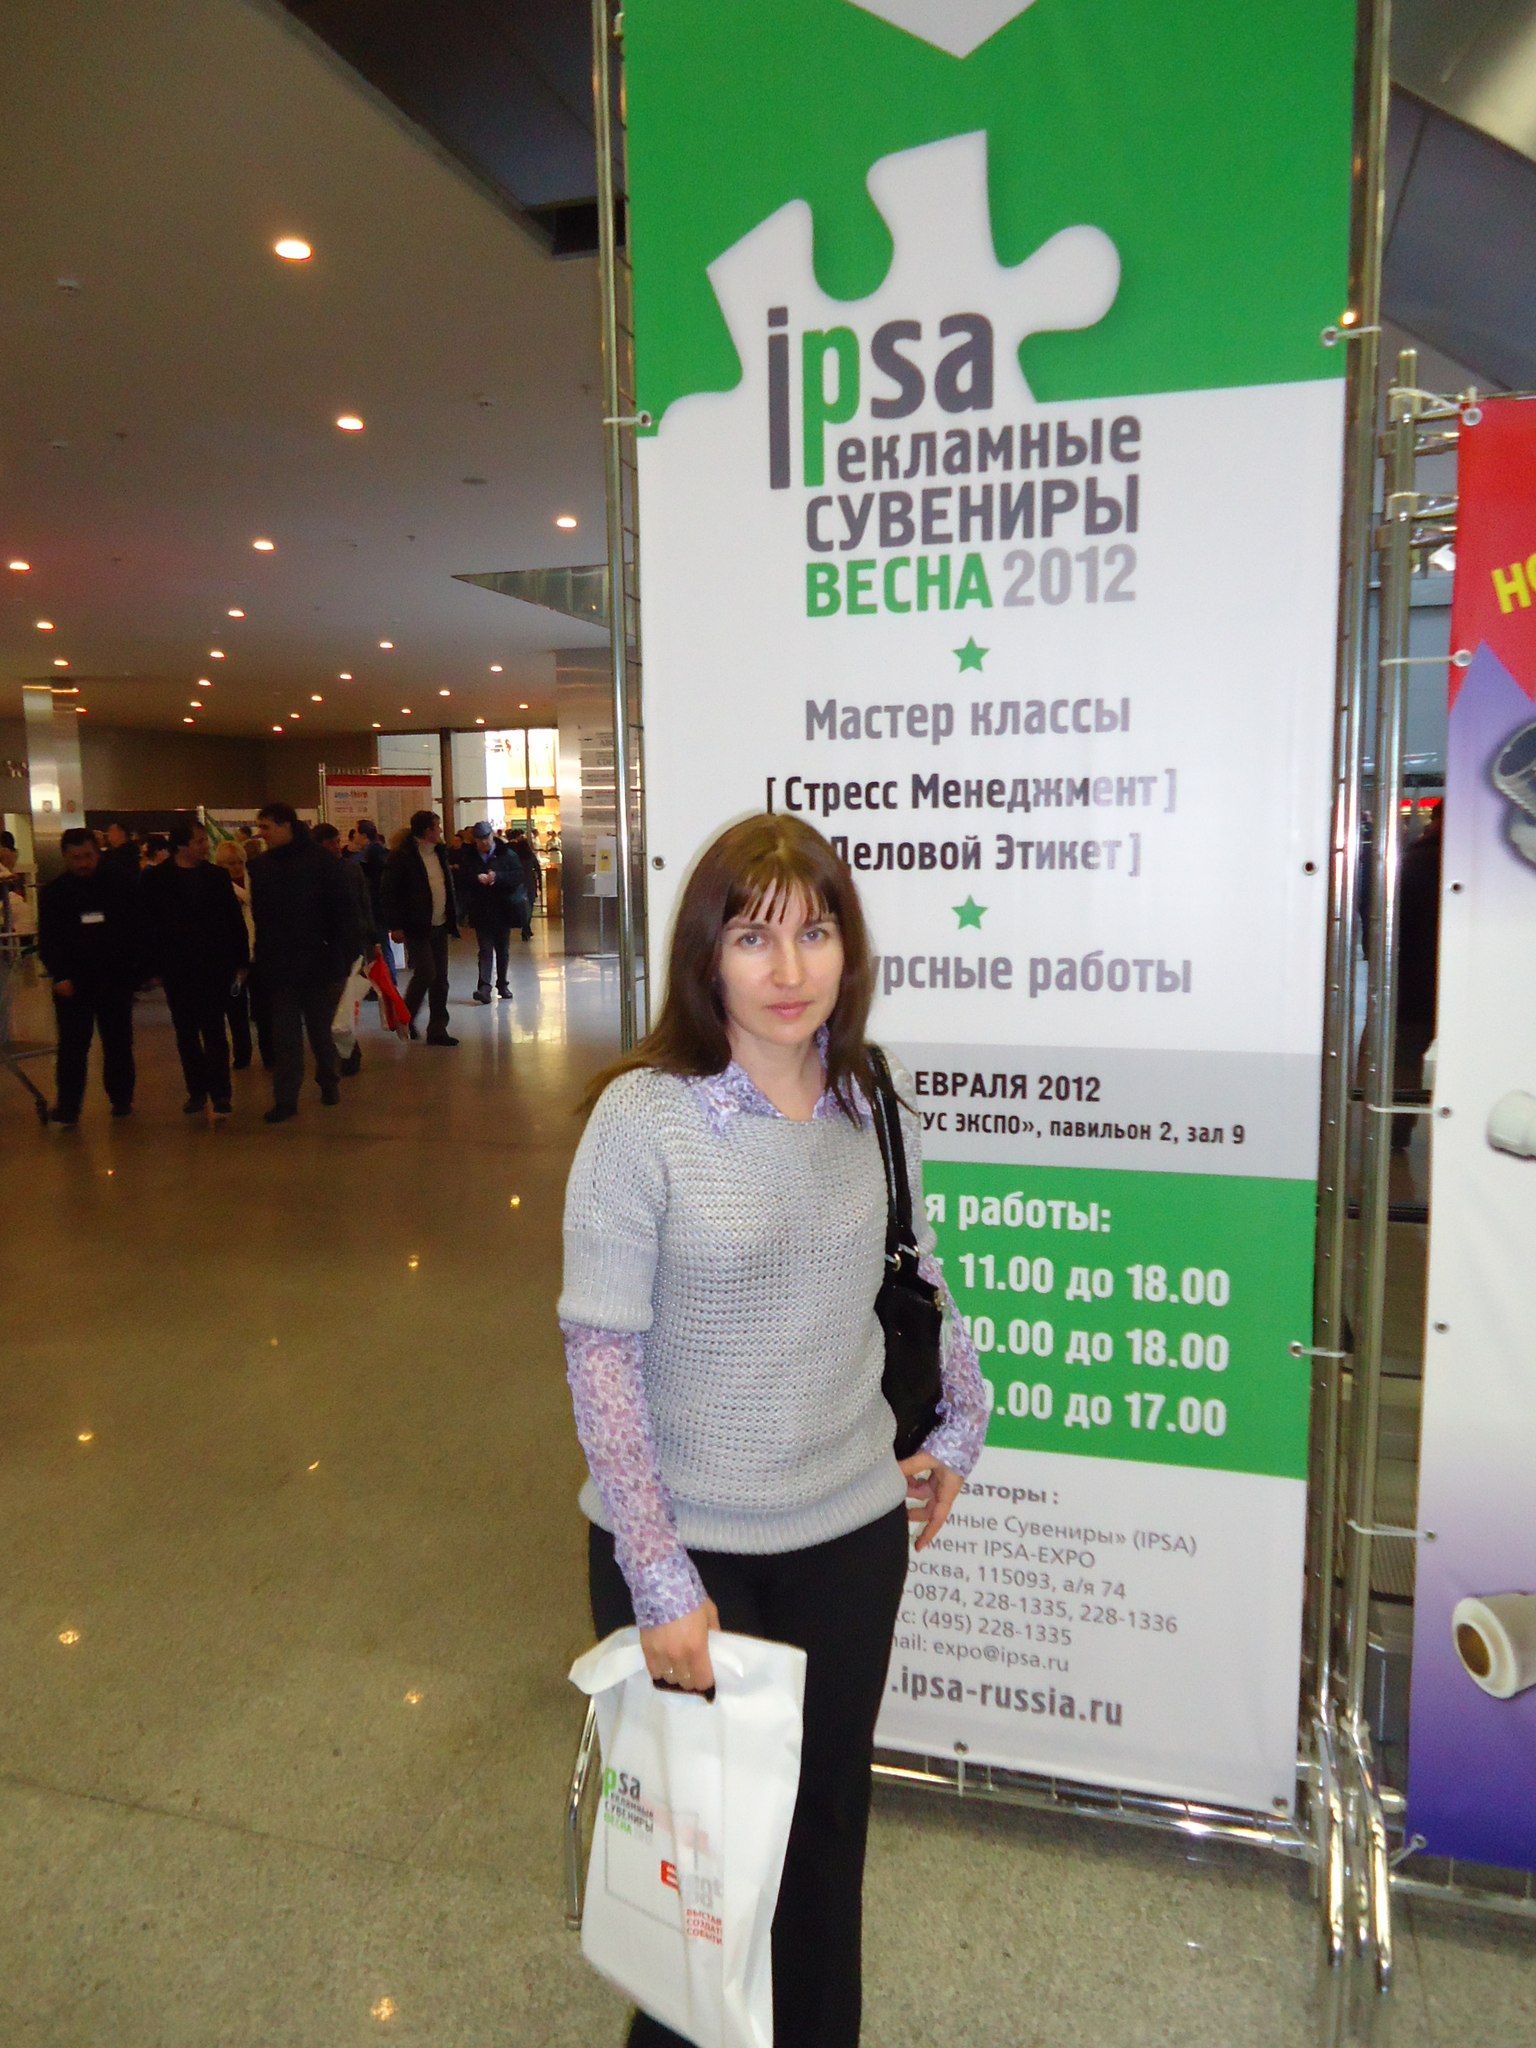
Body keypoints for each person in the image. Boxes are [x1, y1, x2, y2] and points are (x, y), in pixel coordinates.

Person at [559, 813, 988, 2048]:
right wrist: (658, 1575)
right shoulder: (645, 1118)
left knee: (824, 1839)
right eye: (753, 937)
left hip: (849, 1533)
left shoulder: (869, 1098)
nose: (790, 969)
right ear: (706, 957)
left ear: (850, 949)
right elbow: (601, 1354)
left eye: (815, 932)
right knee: (701, 1878)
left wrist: (960, 1425)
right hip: (692, 1552)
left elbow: (914, 1273)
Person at [247, 802, 362, 1122]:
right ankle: (285, 1098)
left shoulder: (321, 862)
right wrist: (262, 958)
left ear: (285, 825)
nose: (261, 833)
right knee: (285, 1036)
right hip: (280, 965)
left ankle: (329, 1081)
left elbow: (344, 911)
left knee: (320, 1031)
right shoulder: (262, 866)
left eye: (267, 827)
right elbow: (261, 918)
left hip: (319, 964)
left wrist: (343, 954)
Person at [139, 820, 249, 1117]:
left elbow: (233, 921)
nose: (205, 845)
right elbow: (147, 924)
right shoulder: (156, 879)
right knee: (186, 1032)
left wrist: (241, 961)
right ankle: (197, 1091)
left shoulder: (216, 876)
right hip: (177, 967)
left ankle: (221, 1093)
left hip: (214, 964)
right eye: (199, 840)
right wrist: (151, 966)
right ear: (182, 844)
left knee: (215, 1031)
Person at [37, 826, 142, 1127]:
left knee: (118, 1042)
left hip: (114, 977)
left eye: (88, 856)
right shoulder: (54, 893)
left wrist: (135, 971)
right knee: (72, 1046)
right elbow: (49, 939)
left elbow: (135, 929)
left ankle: (122, 1098)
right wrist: (60, 975)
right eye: (76, 858)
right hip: (73, 982)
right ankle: (69, 1106)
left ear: (97, 853)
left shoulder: (120, 885)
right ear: (65, 857)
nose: (83, 863)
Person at [380, 809, 459, 1046]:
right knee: (426, 972)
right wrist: (395, 925)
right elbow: (388, 893)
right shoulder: (402, 857)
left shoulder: (439, 853)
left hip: (440, 923)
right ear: (427, 831)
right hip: (416, 925)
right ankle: (405, 1016)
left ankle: (437, 1028)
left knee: (440, 979)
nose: (441, 830)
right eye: (437, 826)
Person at [1393, 803, 1442, 1152]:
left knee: (1405, 1059)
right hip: (1466, 988)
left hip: (1414, 983)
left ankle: (1397, 1130)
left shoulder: (1412, 862)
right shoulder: (1487, 868)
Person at [314, 822, 372, 1075]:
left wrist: (369, 938)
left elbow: (364, 904)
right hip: (323, 946)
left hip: (349, 944)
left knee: (342, 1002)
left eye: (338, 842)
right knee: (330, 1004)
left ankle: (349, 1053)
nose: (337, 847)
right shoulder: (310, 873)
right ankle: (341, 1052)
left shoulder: (351, 869)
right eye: (330, 843)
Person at [457, 820, 525, 1002]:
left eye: (486, 838)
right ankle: (484, 988)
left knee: (502, 949)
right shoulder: (469, 857)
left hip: (503, 908)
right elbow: (461, 879)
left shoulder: (507, 854)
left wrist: (498, 877)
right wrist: (475, 878)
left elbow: (518, 875)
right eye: (479, 840)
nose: (484, 842)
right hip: (481, 909)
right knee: (485, 949)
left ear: (492, 835)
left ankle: (502, 984)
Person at [213, 838, 266, 1069]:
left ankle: (269, 1053)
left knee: (263, 1008)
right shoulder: (216, 888)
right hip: (232, 956)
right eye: (230, 863)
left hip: (259, 951)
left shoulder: (256, 883)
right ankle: (242, 1054)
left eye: (239, 862)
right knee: (235, 1009)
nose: (236, 867)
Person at [508, 830, 540, 941]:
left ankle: (525, 926)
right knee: (529, 906)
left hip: (518, 883)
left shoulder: (515, 857)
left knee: (521, 906)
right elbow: (537, 868)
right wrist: (539, 884)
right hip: (530, 883)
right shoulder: (530, 856)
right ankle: (526, 927)